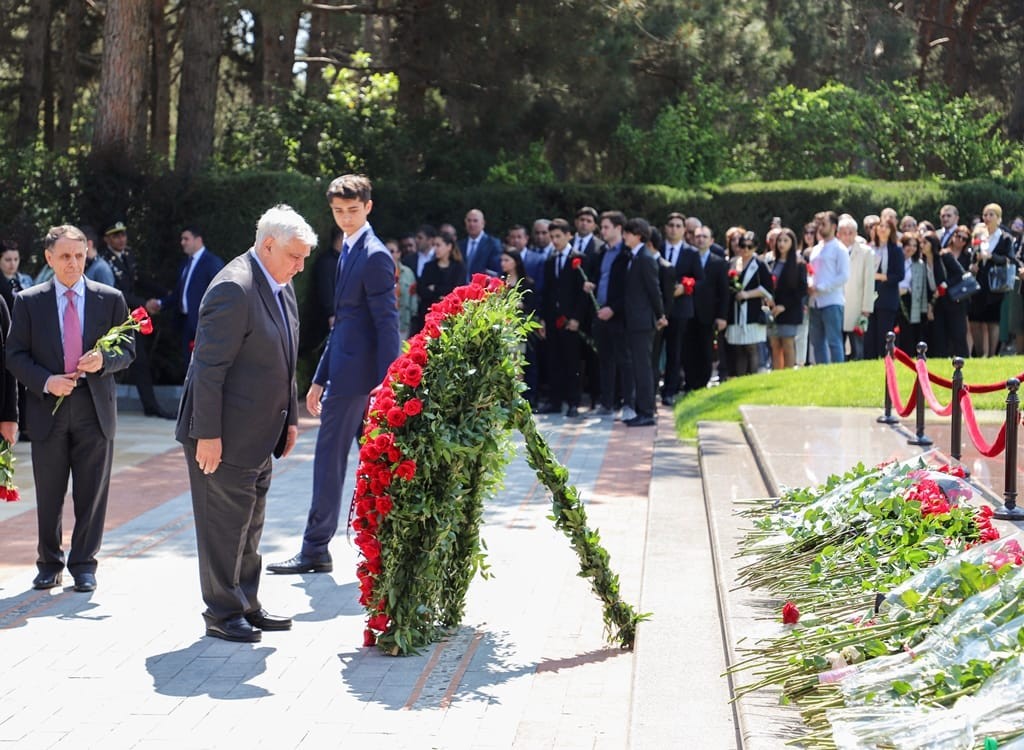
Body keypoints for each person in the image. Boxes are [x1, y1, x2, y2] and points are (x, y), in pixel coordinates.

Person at [175, 205, 314, 642]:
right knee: (223, 526)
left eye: (304, 258)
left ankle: (245, 602)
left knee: (249, 524)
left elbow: (286, 358)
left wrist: (290, 418)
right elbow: (208, 369)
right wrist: (208, 435)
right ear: (267, 244)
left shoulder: (280, 283)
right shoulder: (234, 288)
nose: (300, 265)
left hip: (260, 431)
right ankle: (222, 612)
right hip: (223, 434)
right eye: (294, 256)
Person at [268, 175, 400, 577]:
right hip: (343, 373)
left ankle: (314, 549)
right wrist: (320, 377)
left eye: (353, 210)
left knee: (331, 459)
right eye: (339, 211)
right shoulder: (349, 248)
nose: (345, 218)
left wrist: (389, 383)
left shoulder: (375, 255)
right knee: (377, 464)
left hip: (360, 381)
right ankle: (383, 546)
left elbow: (387, 323)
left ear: (369, 207)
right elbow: (343, 322)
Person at [7, 225, 135, 593]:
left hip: (94, 411)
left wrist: (103, 360)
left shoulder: (109, 298)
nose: (73, 263)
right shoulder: (29, 301)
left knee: (91, 492)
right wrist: (47, 381)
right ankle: (49, 563)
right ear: (49, 258)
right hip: (48, 410)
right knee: (49, 493)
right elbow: (14, 355)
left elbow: (127, 349)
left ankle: (84, 565)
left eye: (79, 256)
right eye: (64, 256)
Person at [100, 221, 173, 418]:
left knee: (139, 361)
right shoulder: (104, 262)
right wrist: (144, 304)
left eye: (123, 235)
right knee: (107, 363)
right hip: (112, 319)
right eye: (116, 236)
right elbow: (117, 292)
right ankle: (101, 410)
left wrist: (165, 292)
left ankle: (151, 407)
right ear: (107, 239)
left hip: (129, 317)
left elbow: (139, 279)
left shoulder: (128, 256)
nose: (121, 239)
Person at [146, 224, 225, 366]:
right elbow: (179, 294)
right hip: (187, 324)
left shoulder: (212, 262)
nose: (182, 243)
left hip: (205, 325)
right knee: (189, 366)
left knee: (204, 366)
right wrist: (160, 303)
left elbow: (221, 294)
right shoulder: (185, 264)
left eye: (186, 239)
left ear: (198, 240)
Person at [538, 218, 586, 418]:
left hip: (570, 319)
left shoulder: (579, 258)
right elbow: (547, 291)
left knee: (572, 361)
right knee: (554, 360)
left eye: (558, 236)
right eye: (552, 237)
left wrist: (577, 318)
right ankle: (555, 400)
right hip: (553, 317)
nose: (555, 241)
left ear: (569, 235)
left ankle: (574, 401)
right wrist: (542, 318)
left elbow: (582, 292)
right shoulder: (550, 261)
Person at [622, 218, 667, 426]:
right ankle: (642, 410)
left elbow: (654, 290)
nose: (624, 237)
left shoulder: (645, 258)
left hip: (642, 321)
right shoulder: (634, 256)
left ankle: (647, 411)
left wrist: (660, 315)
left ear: (638, 235)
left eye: (628, 233)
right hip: (634, 320)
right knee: (639, 367)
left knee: (643, 367)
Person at [589, 211, 633, 418]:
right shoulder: (601, 253)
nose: (602, 231)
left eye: (606, 227)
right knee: (605, 359)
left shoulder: (627, 254)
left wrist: (613, 308)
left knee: (624, 360)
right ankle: (607, 402)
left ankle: (628, 403)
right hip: (600, 312)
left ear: (618, 228)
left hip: (619, 315)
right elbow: (601, 279)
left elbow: (629, 289)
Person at [659, 214, 703, 405]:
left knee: (675, 351)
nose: (674, 229)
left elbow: (700, 279)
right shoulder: (657, 248)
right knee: (653, 351)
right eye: (671, 225)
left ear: (684, 230)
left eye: (678, 226)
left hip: (680, 308)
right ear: (665, 228)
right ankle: (650, 388)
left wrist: (686, 287)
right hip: (657, 307)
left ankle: (670, 390)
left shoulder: (691, 252)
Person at [682, 225, 729, 393]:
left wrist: (722, 316)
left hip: (708, 314)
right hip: (687, 312)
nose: (701, 239)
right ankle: (690, 382)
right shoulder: (687, 259)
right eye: (698, 236)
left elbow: (724, 293)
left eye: (704, 237)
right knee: (688, 349)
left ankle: (702, 383)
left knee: (706, 349)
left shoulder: (719, 263)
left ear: (711, 241)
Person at [725, 231, 774, 376]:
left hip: (752, 311)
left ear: (755, 247)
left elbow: (768, 289)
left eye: (749, 246)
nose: (745, 249)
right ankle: (741, 379)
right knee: (738, 348)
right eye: (742, 246)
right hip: (735, 312)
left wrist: (747, 294)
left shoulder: (760, 264)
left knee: (751, 347)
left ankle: (753, 377)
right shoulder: (733, 263)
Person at [807, 211, 850, 364]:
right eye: (819, 224)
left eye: (823, 224)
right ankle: (822, 371)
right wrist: (810, 283)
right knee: (817, 342)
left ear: (834, 226)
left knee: (834, 341)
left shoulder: (840, 249)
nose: (820, 228)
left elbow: (844, 276)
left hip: (832, 301)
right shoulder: (816, 249)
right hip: (815, 301)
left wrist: (822, 287)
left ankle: (838, 372)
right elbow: (811, 271)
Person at [865, 215, 905, 358]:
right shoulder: (868, 248)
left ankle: (886, 359)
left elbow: (900, 275)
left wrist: (882, 277)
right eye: (880, 226)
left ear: (892, 231)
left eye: (886, 227)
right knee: (869, 333)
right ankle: (869, 360)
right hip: (869, 296)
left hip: (887, 297)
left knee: (884, 332)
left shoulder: (896, 250)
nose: (882, 229)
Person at [768, 228, 806, 369]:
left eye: (785, 241)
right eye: (779, 240)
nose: (781, 244)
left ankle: (788, 374)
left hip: (790, 310)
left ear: (792, 243)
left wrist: (784, 306)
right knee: (775, 345)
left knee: (787, 344)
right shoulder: (773, 263)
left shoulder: (799, 264)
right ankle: (778, 374)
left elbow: (801, 290)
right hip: (774, 310)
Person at [838, 215, 874, 361]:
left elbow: (869, 282)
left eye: (851, 232)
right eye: (844, 233)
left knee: (857, 346)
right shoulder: (835, 250)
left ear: (856, 233)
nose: (847, 236)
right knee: (838, 345)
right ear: (838, 234)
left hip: (857, 305)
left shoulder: (866, 252)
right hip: (838, 304)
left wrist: (866, 309)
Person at [931, 228, 971, 358]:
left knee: (958, 333)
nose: (960, 240)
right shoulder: (939, 255)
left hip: (956, 299)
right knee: (941, 333)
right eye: (958, 236)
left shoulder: (949, 255)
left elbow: (960, 274)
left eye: (964, 239)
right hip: (941, 300)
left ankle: (963, 358)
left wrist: (946, 284)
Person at [415, 230, 465, 326]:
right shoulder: (429, 266)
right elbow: (422, 290)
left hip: (450, 315)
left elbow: (456, 290)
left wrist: (435, 288)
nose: (435, 249)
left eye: (438, 245)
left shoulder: (458, 268)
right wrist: (442, 291)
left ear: (449, 247)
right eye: (434, 245)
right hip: (428, 314)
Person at [458, 209, 502, 281]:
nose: (471, 224)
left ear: (483, 223)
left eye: (475, 221)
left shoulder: (493, 244)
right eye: (469, 220)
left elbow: (494, 271)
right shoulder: (460, 245)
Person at [389, 238, 417, 338]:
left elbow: (413, 296)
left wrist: (413, 315)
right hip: (384, 322)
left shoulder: (408, 273)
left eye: (392, 251)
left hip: (403, 321)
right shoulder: (378, 272)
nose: (389, 254)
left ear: (399, 253)